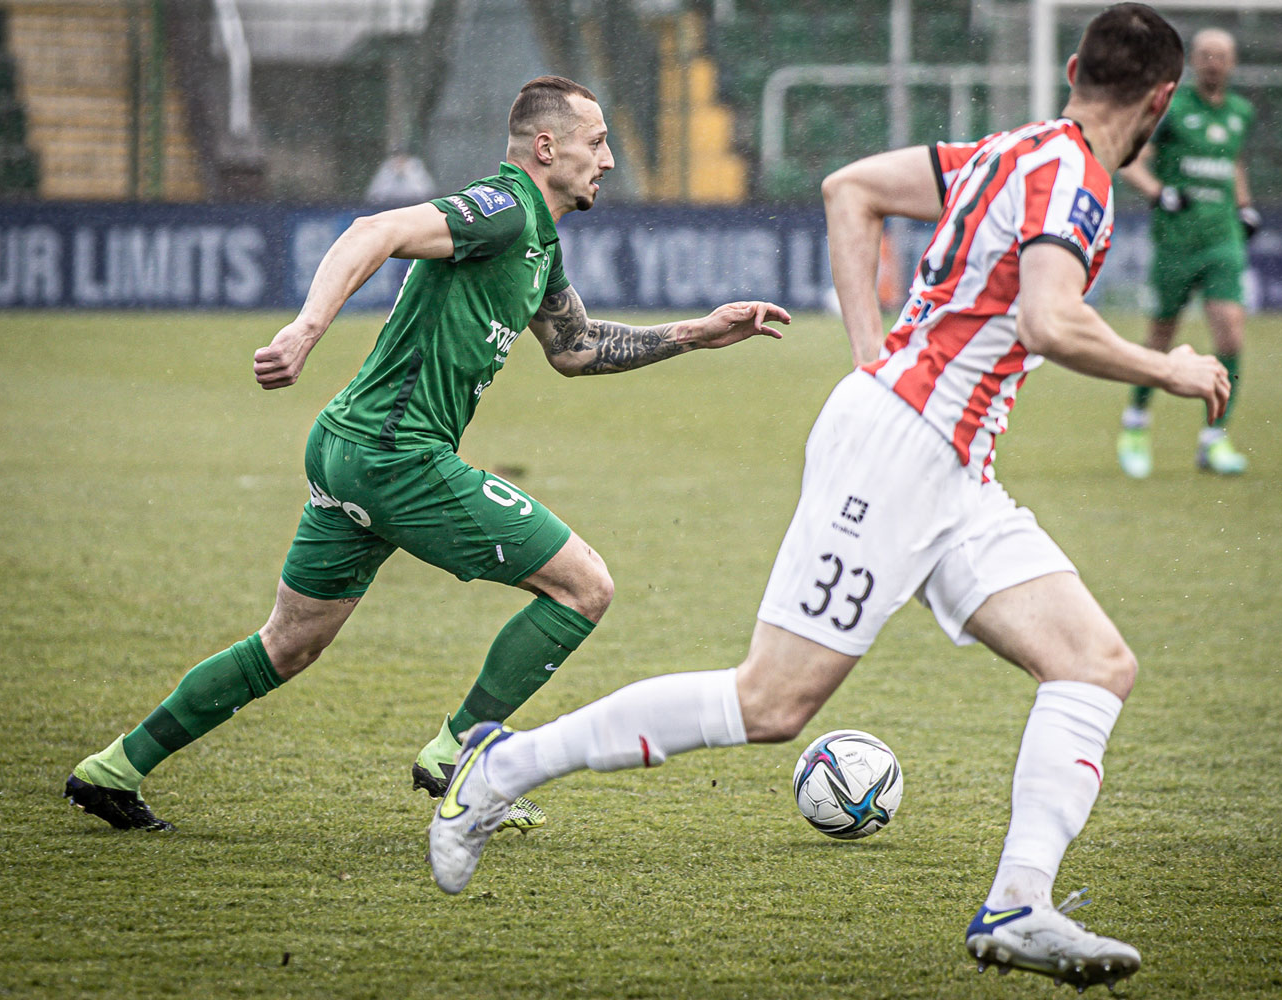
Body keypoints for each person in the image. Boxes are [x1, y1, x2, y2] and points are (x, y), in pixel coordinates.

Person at [427, 6, 1227, 991]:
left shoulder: (1009, 150)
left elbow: (849, 189)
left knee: (1094, 664)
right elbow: (1050, 319)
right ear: (1162, 99)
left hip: (946, 465)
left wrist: (872, 359)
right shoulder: (1079, 181)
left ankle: (1021, 902)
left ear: (1072, 69)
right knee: (770, 703)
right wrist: (1172, 367)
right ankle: (494, 772)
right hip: (902, 452)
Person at [63, 75, 790, 835]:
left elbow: (574, 349)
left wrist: (696, 334)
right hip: (396, 457)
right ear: (548, 148)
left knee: (287, 644)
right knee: (584, 587)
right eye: (596, 142)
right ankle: (459, 756)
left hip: (349, 448)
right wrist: (305, 331)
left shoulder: (538, 238)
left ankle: (113, 769)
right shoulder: (503, 209)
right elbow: (371, 233)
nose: (606, 160)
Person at [1116, 27, 1258, 477]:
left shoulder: (1240, 112)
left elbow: (1233, 161)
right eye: (1205, 55)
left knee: (1231, 335)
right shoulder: (1171, 110)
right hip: (1177, 242)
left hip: (1223, 241)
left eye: (1221, 55)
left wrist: (1245, 205)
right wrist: (1160, 194)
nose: (1213, 62)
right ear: (1193, 62)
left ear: (1232, 64)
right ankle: (1135, 423)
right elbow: (1128, 160)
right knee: (1160, 339)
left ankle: (1214, 438)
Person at [364, 148, 439, 206]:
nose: (399, 163)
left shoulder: (416, 168)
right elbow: (375, 196)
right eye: (397, 160)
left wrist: (408, 173)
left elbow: (425, 194)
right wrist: (392, 174)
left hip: (413, 208)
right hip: (388, 208)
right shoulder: (387, 169)